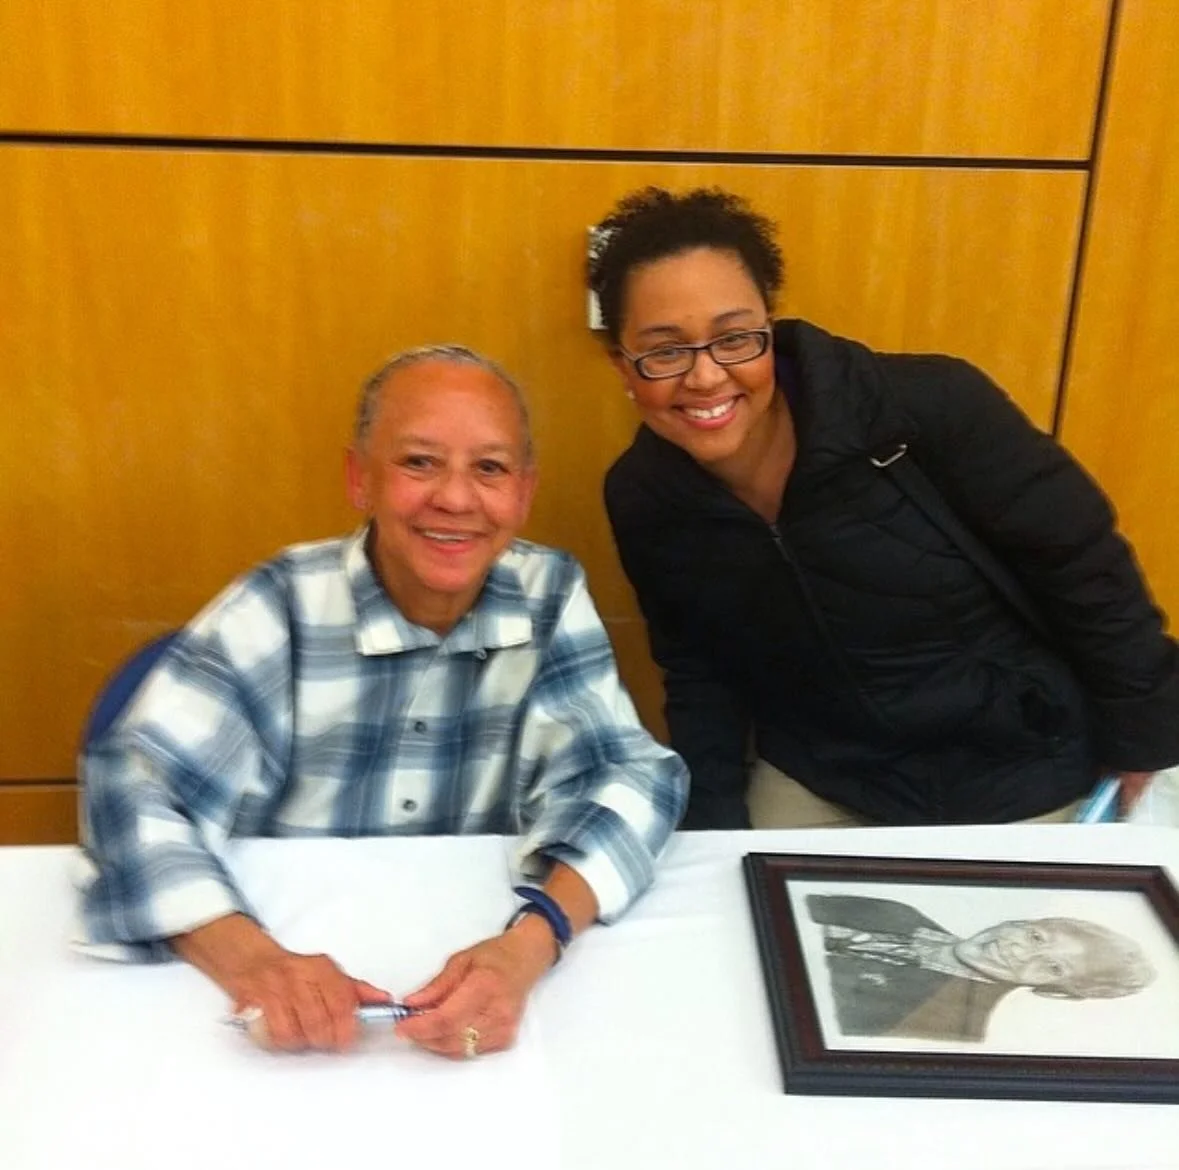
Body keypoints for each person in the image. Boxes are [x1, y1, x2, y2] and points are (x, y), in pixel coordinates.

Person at [77, 344, 688, 1057]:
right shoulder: (279, 604)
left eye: (488, 468)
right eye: (419, 462)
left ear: (522, 494)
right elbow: (130, 785)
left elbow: (629, 775)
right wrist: (252, 962)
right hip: (273, 1007)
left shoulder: (548, 595)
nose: (455, 499)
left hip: (464, 995)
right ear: (358, 479)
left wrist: (531, 945)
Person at [590, 186, 1179, 829]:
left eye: (734, 338)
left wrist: (1142, 735)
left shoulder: (926, 408)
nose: (706, 377)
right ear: (622, 365)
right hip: (827, 775)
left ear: (769, 326)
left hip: (1021, 766)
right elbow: (698, 670)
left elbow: (1083, 563)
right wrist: (711, 826)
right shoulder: (645, 495)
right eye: (666, 351)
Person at [806, 894, 1154, 1043]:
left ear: (1053, 992)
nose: (1018, 950)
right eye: (1035, 935)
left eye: (1051, 967)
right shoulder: (900, 913)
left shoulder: (947, 1027)